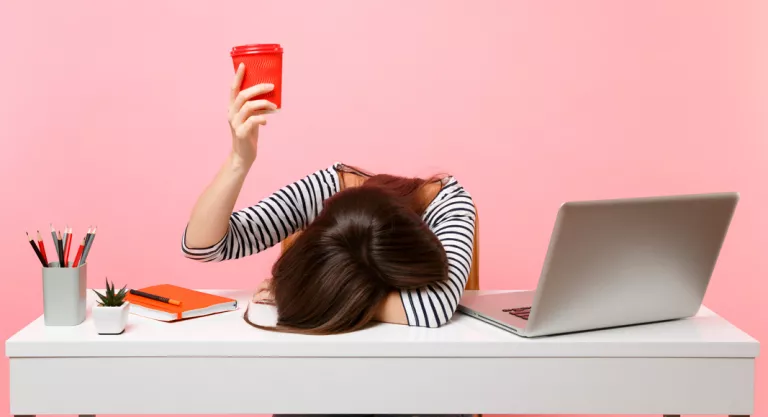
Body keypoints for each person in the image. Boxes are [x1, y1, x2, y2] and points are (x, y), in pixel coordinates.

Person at [181, 63, 476, 334]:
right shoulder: (328, 189)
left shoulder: (449, 205)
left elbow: (435, 306)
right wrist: (239, 159)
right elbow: (203, 246)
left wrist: (304, 292)